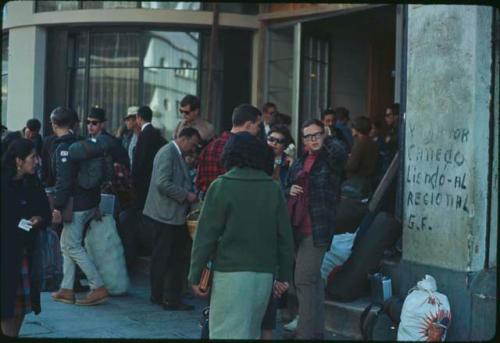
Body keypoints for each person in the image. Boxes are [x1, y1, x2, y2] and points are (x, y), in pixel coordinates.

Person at [189, 132, 294, 339]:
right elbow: (285, 238)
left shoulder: (221, 186)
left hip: (230, 274)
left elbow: (205, 237)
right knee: (251, 332)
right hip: (263, 275)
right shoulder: (272, 189)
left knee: (225, 333)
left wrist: (195, 274)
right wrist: (283, 276)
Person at [286, 119, 347, 339]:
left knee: (303, 279)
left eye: (317, 134)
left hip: (318, 228)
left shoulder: (330, 159)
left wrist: (328, 137)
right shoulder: (300, 161)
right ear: (302, 140)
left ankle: (304, 333)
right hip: (297, 226)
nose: (314, 139)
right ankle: (316, 331)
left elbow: (341, 153)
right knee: (313, 281)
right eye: (308, 136)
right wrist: (289, 189)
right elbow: (288, 185)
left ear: (324, 134)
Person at [48, 107, 109, 306]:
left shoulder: (63, 148)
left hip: (76, 205)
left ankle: (97, 286)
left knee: (72, 245)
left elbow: (64, 181)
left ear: (54, 124)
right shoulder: (81, 142)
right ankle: (66, 289)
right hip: (90, 201)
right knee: (67, 245)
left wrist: (57, 206)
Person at [143, 127, 201, 311]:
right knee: (169, 257)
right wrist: (186, 195)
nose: (193, 149)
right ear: (184, 139)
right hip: (166, 214)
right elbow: (163, 183)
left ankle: (160, 295)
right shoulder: (168, 153)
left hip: (168, 214)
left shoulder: (173, 153)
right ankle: (167, 297)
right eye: (192, 144)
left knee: (166, 256)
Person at [1, 139, 51, 337]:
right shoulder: (3, 183)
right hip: (5, 253)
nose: (37, 161)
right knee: (6, 304)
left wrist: (39, 219)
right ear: (18, 160)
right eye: (32, 157)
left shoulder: (33, 182)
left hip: (25, 252)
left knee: (20, 306)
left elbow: (45, 213)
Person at [195, 104, 262, 196]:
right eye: (258, 125)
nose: (259, 130)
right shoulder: (245, 150)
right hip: (233, 202)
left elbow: (199, 182)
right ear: (248, 125)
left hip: (208, 202)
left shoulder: (209, 147)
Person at [131, 106, 167, 211]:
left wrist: (134, 180)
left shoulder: (144, 134)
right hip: (154, 178)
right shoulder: (157, 133)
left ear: (139, 118)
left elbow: (139, 160)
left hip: (143, 181)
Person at [344, 116, 379, 198]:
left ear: (357, 129)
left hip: (356, 183)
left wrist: (343, 162)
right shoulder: (372, 143)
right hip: (367, 181)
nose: (351, 130)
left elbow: (352, 166)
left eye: (353, 127)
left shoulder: (360, 143)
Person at [266, 125, 294, 192]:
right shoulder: (257, 158)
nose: (274, 143)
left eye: (279, 141)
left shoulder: (290, 163)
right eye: (271, 139)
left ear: (285, 145)